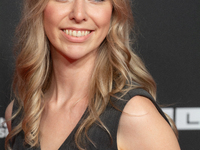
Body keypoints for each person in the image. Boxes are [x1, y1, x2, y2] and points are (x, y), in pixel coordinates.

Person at [5, 0, 181, 149]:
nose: (79, 14)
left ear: (113, 12)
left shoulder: (135, 116)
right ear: (39, 7)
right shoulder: (18, 113)